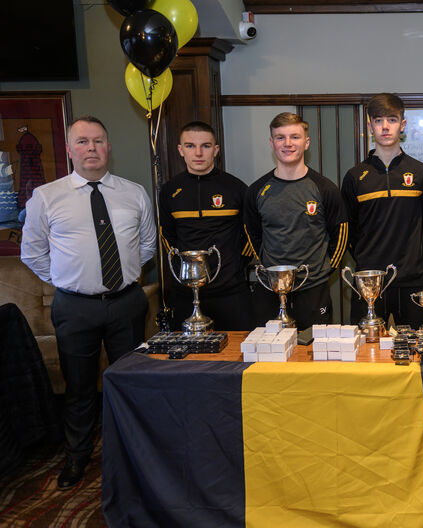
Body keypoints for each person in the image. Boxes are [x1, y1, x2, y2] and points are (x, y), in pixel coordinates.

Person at [20, 116, 157, 489]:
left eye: (98, 141)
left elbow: (147, 244)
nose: (91, 148)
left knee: (130, 382)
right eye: (82, 142)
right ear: (69, 150)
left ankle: (135, 455)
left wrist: (121, 276)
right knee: (79, 388)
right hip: (74, 308)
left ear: (108, 147)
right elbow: (32, 253)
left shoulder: (134, 193)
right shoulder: (47, 197)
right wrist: (69, 280)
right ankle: (77, 457)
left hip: (126, 302)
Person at [341, 93, 423, 329]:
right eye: (378, 120)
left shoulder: (422, 173)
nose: (385, 127)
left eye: (392, 120)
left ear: (402, 125)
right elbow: (349, 231)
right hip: (369, 281)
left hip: (413, 279)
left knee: (417, 346)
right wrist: (366, 261)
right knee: (366, 348)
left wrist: (415, 260)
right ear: (369, 127)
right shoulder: (355, 177)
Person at [244, 112, 348, 330]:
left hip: (313, 289)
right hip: (270, 289)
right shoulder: (256, 190)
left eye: (295, 137)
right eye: (280, 137)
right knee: (269, 349)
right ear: (272, 143)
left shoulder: (325, 188)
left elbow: (340, 235)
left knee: (314, 349)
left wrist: (323, 271)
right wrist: (269, 269)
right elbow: (252, 235)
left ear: (306, 142)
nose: (288, 143)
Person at [158, 121, 254, 331]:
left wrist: (235, 265)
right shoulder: (170, 191)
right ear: (180, 150)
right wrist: (181, 268)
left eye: (206, 146)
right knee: (188, 351)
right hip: (185, 293)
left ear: (216, 150)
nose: (198, 153)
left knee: (238, 350)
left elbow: (251, 234)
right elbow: (167, 236)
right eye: (190, 146)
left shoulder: (236, 188)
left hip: (231, 292)